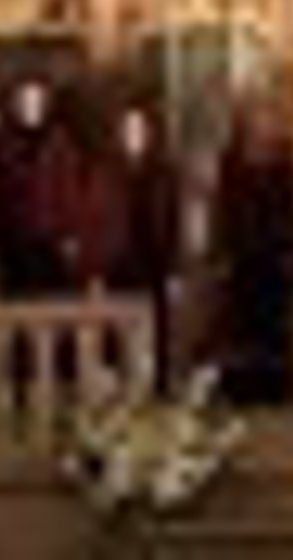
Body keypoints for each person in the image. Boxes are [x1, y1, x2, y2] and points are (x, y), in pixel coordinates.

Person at [210, 99, 293, 405]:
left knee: (273, 323)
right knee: (240, 323)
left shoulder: (283, 158)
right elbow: (223, 207)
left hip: (274, 253)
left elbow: (290, 206)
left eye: (267, 118)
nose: (262, 123)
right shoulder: (230, 159)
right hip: (241, 252)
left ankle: (273, 387)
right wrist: (221, 250)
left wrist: (290, 248)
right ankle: (241, 386)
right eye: (256, 118)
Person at [94, 100, 183, 393]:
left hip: (154, 258)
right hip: (118, 258)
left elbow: (173, 222)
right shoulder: (107, 170)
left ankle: (159, 386)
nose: (134, 135)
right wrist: (97, 267)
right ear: (120, 133)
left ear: (149, 132)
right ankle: (119, 384)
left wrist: (175, 270)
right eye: (129, 129)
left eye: (139, 129)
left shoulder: (164, 171)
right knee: (115, 329)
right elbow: (97, 218)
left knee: (158, 326)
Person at [0, 75, 84, 298]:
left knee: (52, 299)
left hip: (50, 237)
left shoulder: (60, 140)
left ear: (45, 104)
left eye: (36, 101)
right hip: (14, 238)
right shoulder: (2, 140)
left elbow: (68, 189)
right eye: (26, 101)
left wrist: (69, 233)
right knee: (17, 300)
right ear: (18, 104)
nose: (32, 107)